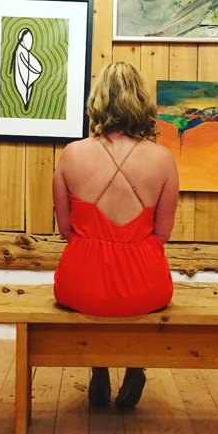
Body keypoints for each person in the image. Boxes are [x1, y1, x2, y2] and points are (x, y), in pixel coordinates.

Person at [52, 61, 179, 407]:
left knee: (96, 295)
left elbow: (65, 230)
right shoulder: (163, 159)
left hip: (82, 282)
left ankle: (99, 369)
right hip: (145, 284)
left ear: (98, 101)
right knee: (132, 300)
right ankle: (135, 367)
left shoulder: (72, 154)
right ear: (141, 101)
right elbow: (163, 233)